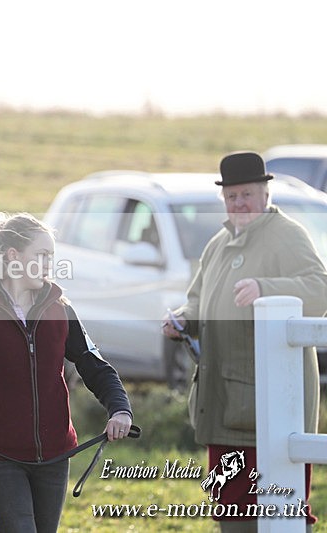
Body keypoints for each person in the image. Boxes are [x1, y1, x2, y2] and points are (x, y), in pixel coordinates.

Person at [0, 212, 133, 533]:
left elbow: (93, 364)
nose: (49, 264)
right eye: (42, 255)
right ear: (13, 257)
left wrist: (120, 408)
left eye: (51, 256)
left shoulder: (59, 306)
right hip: (0, 455)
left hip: (55, 455)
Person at [162, 151, 327, 532]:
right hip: (225, 402)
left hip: (270, 405)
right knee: (230, 508)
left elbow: (319, 289)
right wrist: (184, 319)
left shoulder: (287, 235)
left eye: (247, 194)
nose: (240, 203)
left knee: (279, 508)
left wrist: (266, 289)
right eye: (232, 196)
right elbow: (198, 299)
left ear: (266, 193)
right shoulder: (218, 243)